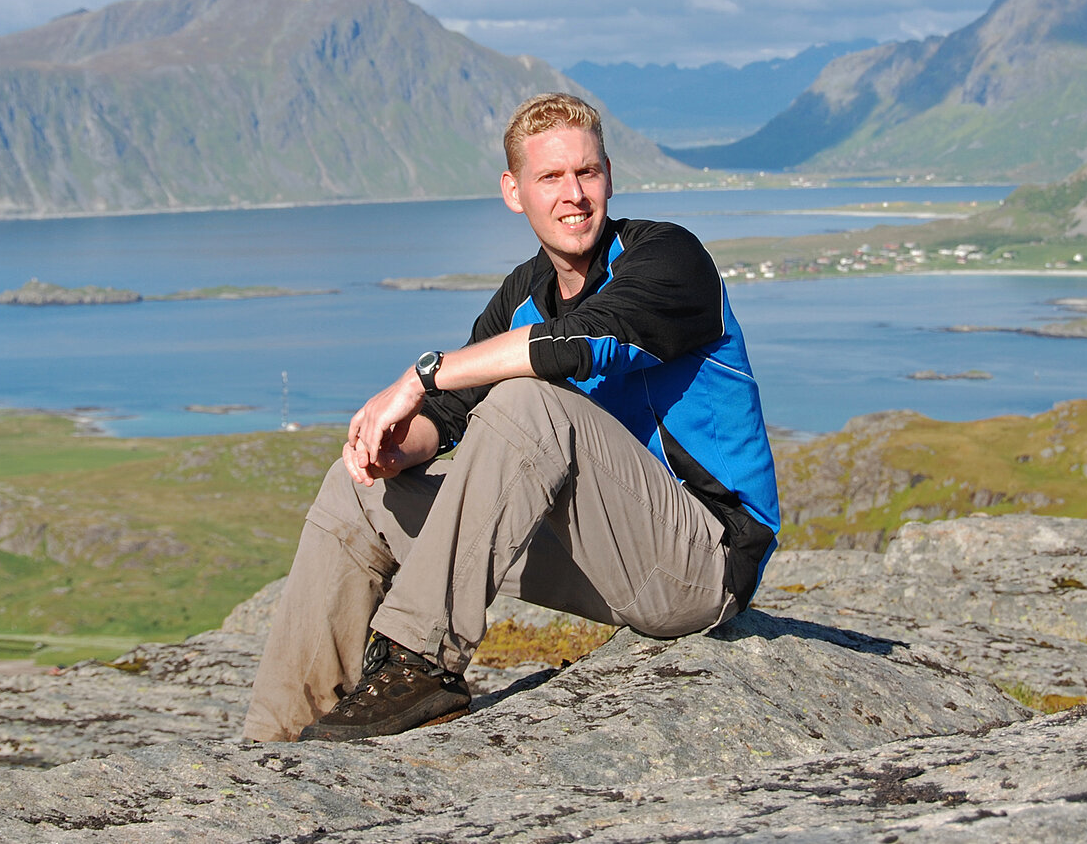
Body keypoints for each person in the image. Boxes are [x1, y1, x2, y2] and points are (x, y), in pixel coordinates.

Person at [242, 92, 780, 743]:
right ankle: (276, 743)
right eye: (550, 176)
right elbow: (446, 416)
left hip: (701, 563)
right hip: (598, 556)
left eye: (587, 172)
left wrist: (420, 374)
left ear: (610, 174)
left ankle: (421, 664)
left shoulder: (669, 260)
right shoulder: (522, 293)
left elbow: (578, 342)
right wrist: (395, 447)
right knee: (354, 493)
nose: (573, 194)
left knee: (530, 396)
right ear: (514, 191)